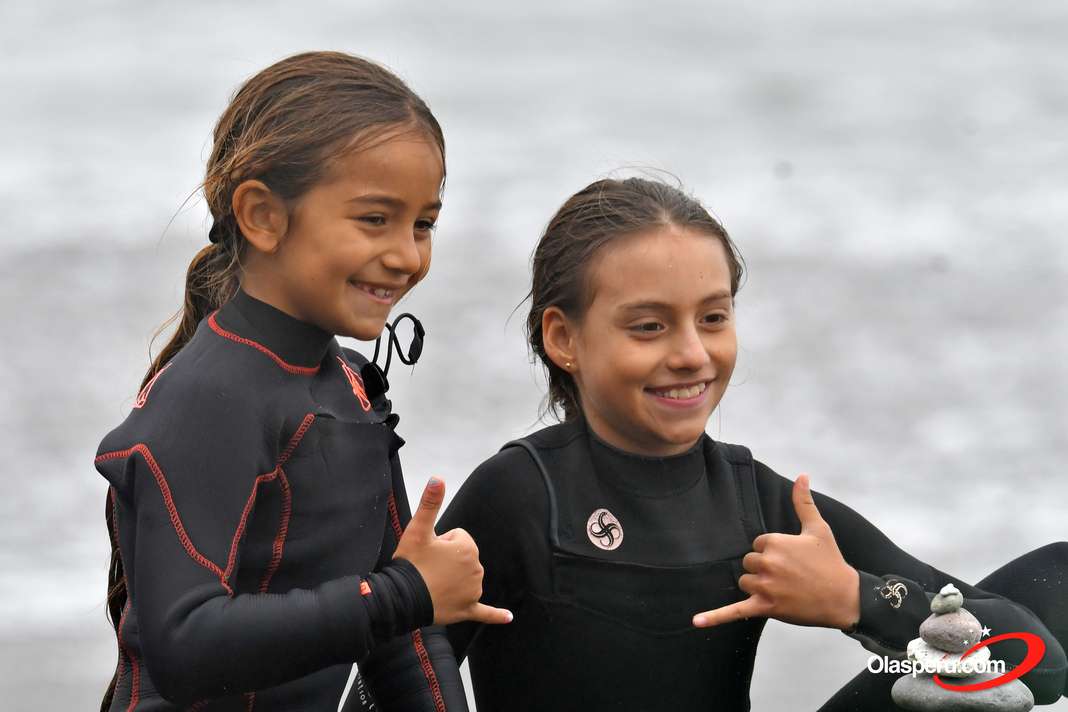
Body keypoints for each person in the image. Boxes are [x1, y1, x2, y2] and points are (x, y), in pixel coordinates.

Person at [437, 176, 1067, 711]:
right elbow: (397, 674)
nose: (692, 354)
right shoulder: (519, 496)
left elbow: (1039, 664)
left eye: (713, 318)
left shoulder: (754, 503)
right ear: (563, 338)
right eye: (650, 326)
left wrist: (858, 601)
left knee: (1058, 576)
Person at [94, 51, 510, 712]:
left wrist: (406, 597)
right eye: (375, 219)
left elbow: (403, 639)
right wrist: (405, 593)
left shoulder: (352, 388)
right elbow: (185, 645)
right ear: (263, 216)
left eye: (423, 224)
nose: (407, 255)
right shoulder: (208, 398)